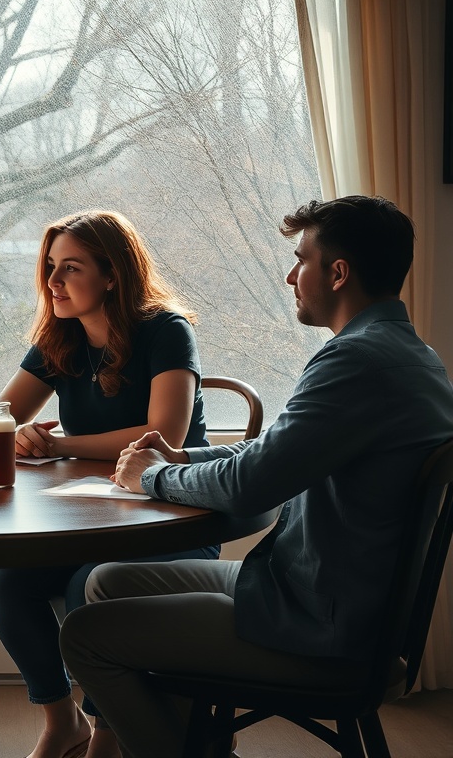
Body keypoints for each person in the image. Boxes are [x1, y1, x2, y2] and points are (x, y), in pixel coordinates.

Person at [59, 195, 453, 758]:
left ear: (338, 273)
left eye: (301, 260)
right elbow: (274, 453)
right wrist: (180, 460)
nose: (291, 275)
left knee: (84, 637)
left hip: (317, 625)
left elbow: (252, 485)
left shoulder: (357, 363)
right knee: (108, 581)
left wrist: (152, 479)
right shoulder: (412, 356)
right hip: (325, 596)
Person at [0, 210, 214, 758]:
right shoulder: (59, 336)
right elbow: (1, 413)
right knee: (5, 578)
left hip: (171, 523)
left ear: (112, 275)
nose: (52, 282)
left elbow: (163, 433)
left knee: (86, 587)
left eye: (70, 268)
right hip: (91, 519)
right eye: (49, 268)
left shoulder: (165, 329)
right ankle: (61, 720)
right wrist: (21, 436)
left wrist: (58, 443)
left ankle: (109, 732)